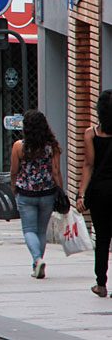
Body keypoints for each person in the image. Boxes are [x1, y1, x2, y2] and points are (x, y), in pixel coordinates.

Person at [10, 110, 63, 279]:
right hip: (47, 192)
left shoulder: (19, 146)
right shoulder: (52, 146)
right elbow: (56, 172)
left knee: (29, 230)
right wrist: (60, 190)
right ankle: (37, 263)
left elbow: (14, 170)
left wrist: (13, 186)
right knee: (41, 231)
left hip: (26, 192)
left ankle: (37, 259)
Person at [76, 90, 112, 298]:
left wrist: (81, 194)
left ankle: (101, 283)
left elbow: (88, 165)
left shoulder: (91, 134)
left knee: (103, 238)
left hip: (99, 192)